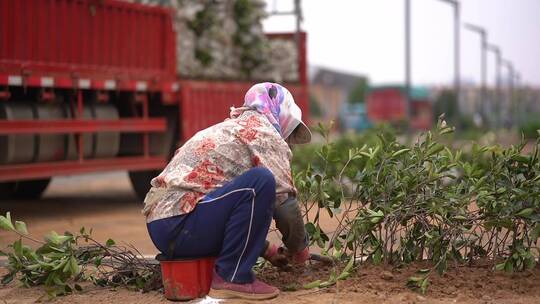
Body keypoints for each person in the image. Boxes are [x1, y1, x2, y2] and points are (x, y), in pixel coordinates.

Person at [143, 82, 312, 300]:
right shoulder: (264, 133)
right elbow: (285, 205)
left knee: (254, 184)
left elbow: (225, 208)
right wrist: (301, 252)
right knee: (261, 181)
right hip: (181, 223)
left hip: (166, 228)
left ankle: (232, 272)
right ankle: (234, 277)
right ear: (283, 113)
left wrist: (267, 249)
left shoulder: (232, 129)